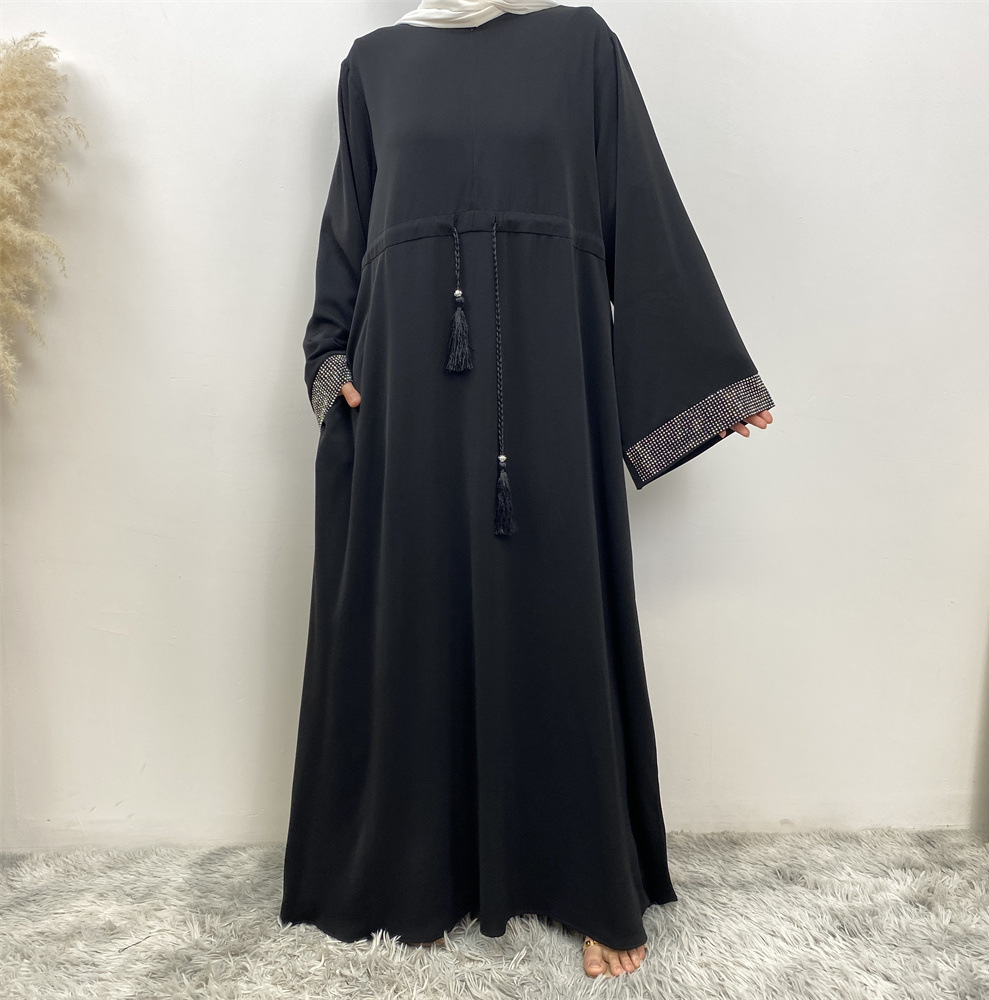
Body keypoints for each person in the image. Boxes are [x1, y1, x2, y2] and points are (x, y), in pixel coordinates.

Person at [280, 0, 775, 981]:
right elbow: (349, 232)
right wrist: (330, 354)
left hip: (552, 382)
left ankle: (591, 882)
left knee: (556, 611)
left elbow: (639, 208)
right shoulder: (373, 64)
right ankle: (416, 877)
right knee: (418, 613)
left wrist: (704, 379)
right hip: (408, 394)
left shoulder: (581, 45)